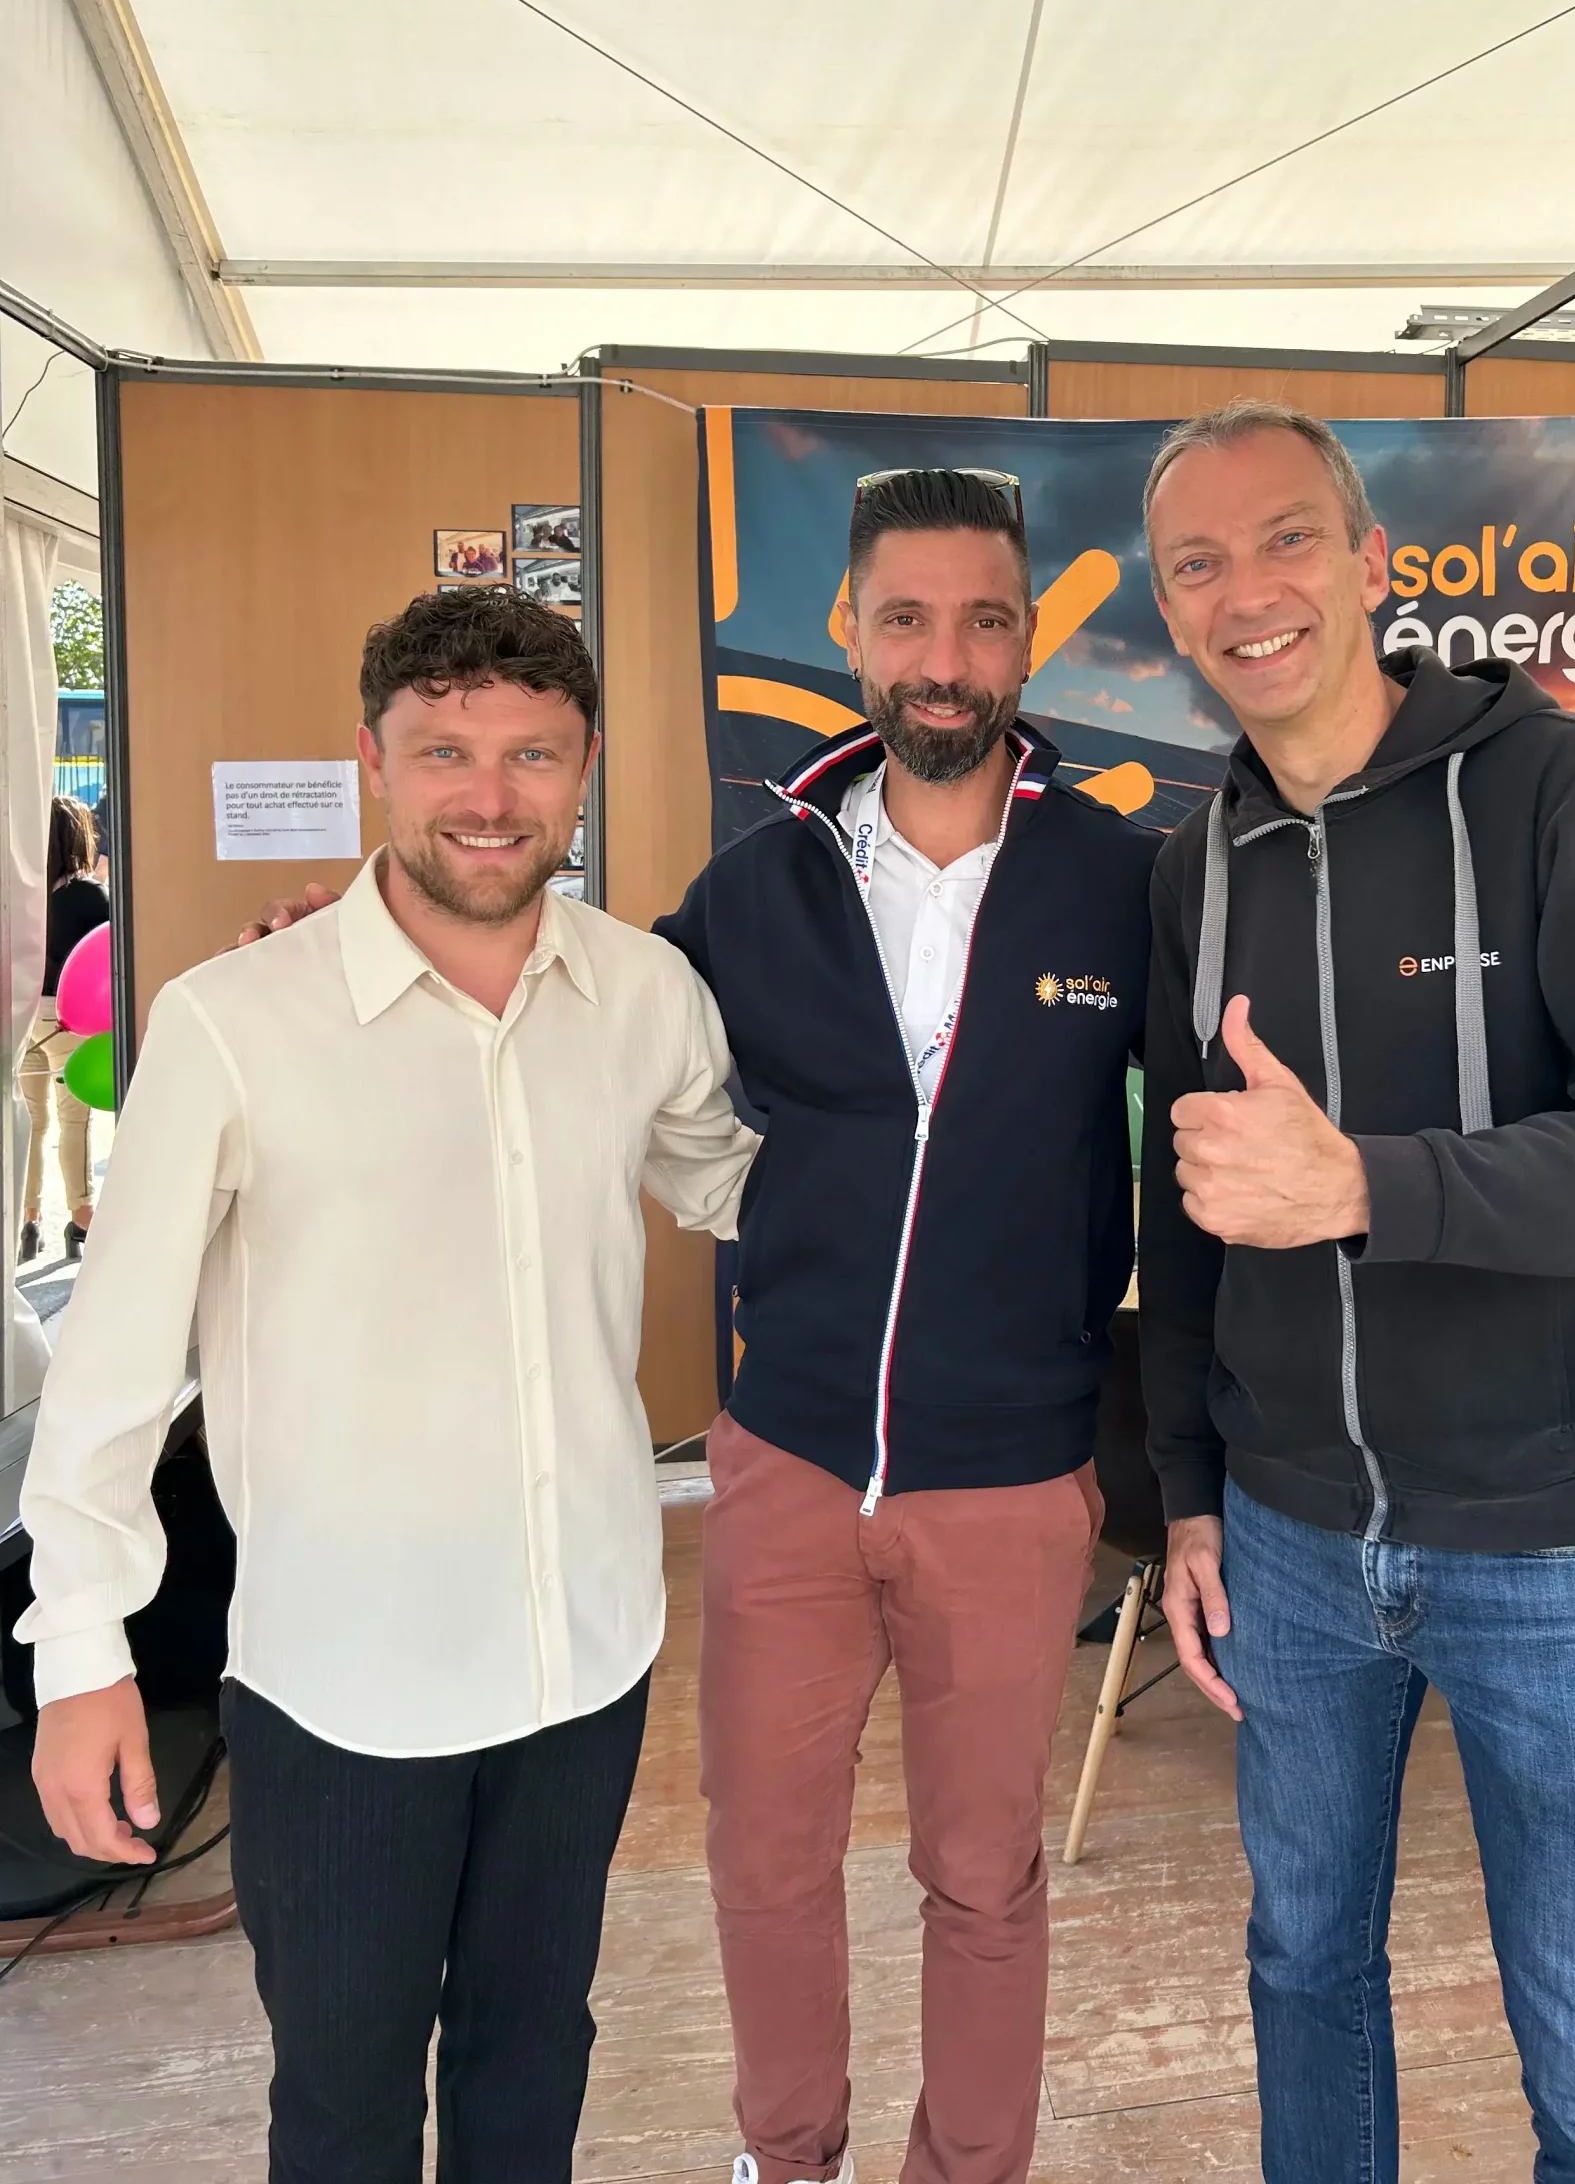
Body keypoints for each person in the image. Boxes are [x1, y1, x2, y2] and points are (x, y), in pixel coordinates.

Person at [17, 587, 759, 2184]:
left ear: (585, 769)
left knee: (531, 2054)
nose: (489, 798)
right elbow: (115, 1359)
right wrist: (78, 1647)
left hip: (587, 1651)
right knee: (346, 2102)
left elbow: (742, 1187)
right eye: (444, 754)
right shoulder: (229, 1023)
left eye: (531, 756)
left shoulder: (645, 996)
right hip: (347, 1681)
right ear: (375, 760)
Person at [1135, 402, 1575, 2184]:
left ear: (1373, 565)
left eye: (1284, 541)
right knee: (1302, 1968)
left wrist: (1369, 1186)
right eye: (1197, 564)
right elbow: (1181, 1213)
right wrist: (1188, 1490)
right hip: (1287, 1537)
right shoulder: (1195, 866)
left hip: (1552, 1544)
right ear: (1173, 611)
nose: (1246, 592)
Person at [656, 468, 1157, 2184]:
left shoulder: (1122, 881)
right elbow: (571, 1031)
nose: (945, 661)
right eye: (907, 618)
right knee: (764, 1862)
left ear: (1025, 637)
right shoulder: (753, 881)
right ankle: (785, 2157)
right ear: (847, 631)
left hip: (1011, 1478)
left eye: (984, 620)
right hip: (790, 1459)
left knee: (984, 1874)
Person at [18, 793, 110, 1262]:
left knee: (32, 1121)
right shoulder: (89, 895)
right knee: (74, 1118)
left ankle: (26, 1220)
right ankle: (81, 1219)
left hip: (22, 1013)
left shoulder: (22, 890)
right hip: (67, 1016)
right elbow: (110, 953)